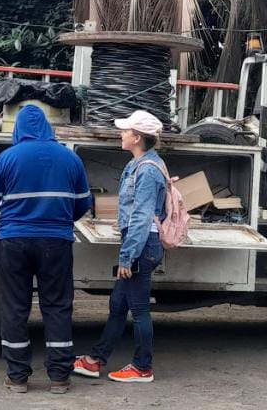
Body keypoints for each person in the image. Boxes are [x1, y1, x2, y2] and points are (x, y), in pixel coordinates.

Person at [0, 104, 92, 395]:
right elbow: (83, 204)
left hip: (14, 242)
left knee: (15, 307)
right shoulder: (70, 158)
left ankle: (17, 377)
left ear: (19, 129)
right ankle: (59, 377)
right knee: (57, 306)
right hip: (56, 242)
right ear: (47, 127)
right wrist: (60, 219)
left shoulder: (8, 158)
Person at [74, 109, 167, 384]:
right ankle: (95, 360)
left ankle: (142, 367)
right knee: (118, 305)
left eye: (125, 130)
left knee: (139, 310)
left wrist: (127, 257)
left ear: (137, 137)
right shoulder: (140, 164)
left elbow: (141, 216)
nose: (121, 134)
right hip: (139, 243)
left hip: (141, 246)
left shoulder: (146, 170)